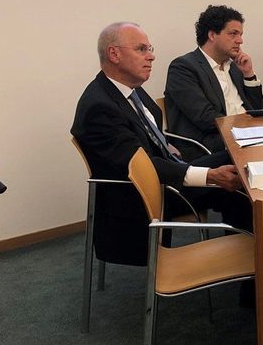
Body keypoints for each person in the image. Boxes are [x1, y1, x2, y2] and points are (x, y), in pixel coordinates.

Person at [71, 22, 252, 266]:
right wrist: (209, 176)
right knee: (238, 186)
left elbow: (143, 130)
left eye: (150, 48)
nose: (152, 56)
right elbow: (141, 166)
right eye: (142, 49)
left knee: (236, 158)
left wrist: (165, 142)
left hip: (164, 172)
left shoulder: (127, 89)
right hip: (144, 195)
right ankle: (253, 274)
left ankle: (248, 263)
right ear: (114, 54)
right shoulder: (100, 107)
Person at [165, 5, 263, 153]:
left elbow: (257, 110)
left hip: (247, 138)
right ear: (212, 35)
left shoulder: (235, 67)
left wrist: (248, 74)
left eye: (241, 34)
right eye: (233, 34)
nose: (240, 41)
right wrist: (246, 129)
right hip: (212, 146)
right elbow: (206, 118)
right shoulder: (183, 68)